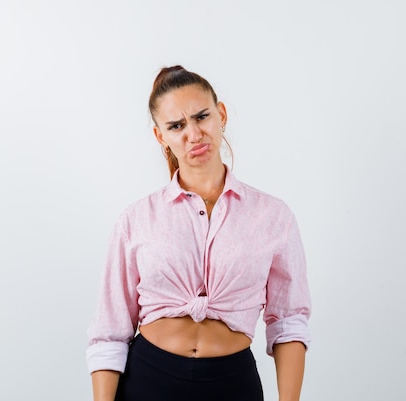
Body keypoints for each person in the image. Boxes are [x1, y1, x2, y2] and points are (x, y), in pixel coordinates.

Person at [86, 65, 311, 401]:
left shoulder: (273, 216)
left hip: (232, 385)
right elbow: (110, 331)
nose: (193, 134)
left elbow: (289, 322)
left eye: (201, 116)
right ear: (161, 136)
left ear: (221, 114)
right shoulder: (136, 219)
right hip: (148, 381)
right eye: (176, 126)